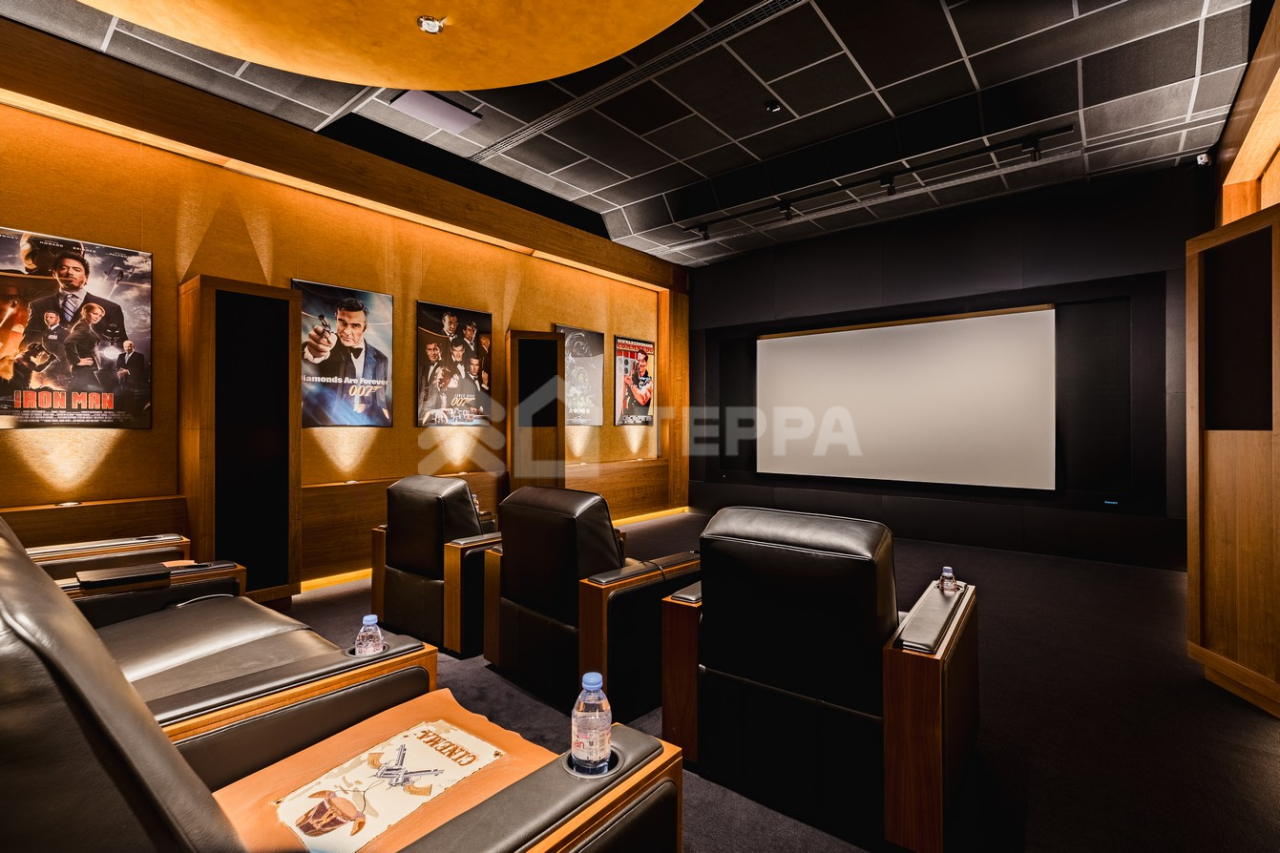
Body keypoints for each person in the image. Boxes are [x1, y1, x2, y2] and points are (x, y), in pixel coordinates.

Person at [303, 297, 390, 425]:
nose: (347, 331)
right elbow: (310, 354)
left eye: (355, 325)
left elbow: (380, 402)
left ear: (365, 327)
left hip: (365, 425)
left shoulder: (380, 359)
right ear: (336, 321)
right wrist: (313, 350)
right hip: (324, 423)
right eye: (342, 323)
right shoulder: (328, 344)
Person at [23, 251, 128, 348]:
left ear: (86, 278)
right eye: (63, 268)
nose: (70, 272)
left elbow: (120, 345)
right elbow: (29, 339)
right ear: (54, 274)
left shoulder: (111, 308)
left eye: (77, 270)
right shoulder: (38, 305)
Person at [65, 301, 105, 391]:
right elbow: (68, 342)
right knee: (95, 393)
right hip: (83, 369)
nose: (97, 317)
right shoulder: (82, 327)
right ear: (85, 312)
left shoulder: (86, 326)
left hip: (86, 369)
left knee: (88, 393)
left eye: (100, 316)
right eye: (95, 314)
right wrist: (76, 361)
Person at [621, 350, 653, 422]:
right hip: (627, 419)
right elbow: (621, 398)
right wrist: (624, 382)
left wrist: (630, 384)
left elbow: (642, 400)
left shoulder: (648, 382)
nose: (640, 363)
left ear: (646, 363)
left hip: (640, 422)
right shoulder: (631, 378)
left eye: (642, 361)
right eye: (638, 361)